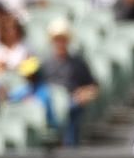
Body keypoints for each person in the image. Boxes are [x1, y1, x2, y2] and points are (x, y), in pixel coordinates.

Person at [40, 18, 98, 146]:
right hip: (50, 104)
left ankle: (70, 150)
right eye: (57, 39)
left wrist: (84, 94)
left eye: (63, 39)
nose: (60, 42)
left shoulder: (78, 63)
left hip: (71, 102)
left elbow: (93, 87)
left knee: (72, 109)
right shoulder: (45, 63)